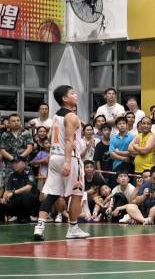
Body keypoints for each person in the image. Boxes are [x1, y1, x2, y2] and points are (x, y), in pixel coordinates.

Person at [33, 85, 89, 241]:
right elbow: (69, 140)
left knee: (52, 194)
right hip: (69, 157)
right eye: (72, 93)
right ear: (65, 98)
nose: (76, 95)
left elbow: (53, 137)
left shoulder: (56, 116)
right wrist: (67, 162)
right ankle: (73, 228)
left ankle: (39, 227)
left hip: (54, 157)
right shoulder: (71, 117)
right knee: (77, 193)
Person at [0, 156, 38, 223]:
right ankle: (3, 221)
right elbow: (8, 190)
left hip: (30, 201)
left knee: (24, 196)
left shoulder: (29, 173)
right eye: (13, 163)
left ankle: (30, 215)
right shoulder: (12, 175)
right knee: (2, 203)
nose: (14, 164)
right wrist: (4, 198)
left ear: (24, 163)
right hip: (17, 201)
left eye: (17, 162)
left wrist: (13, 192)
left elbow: (28, 188)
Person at [0, 114, 34, 189]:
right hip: (10, 166)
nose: (16, 122)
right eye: (13, 121)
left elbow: (29, 148)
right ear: (9, 123)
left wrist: (19, 159)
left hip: (23, 165)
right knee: (9, 188)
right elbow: (2, 150)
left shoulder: (26, 133)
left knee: (24, 188)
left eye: (18, 120)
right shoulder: (5, 135)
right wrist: (13, 159)